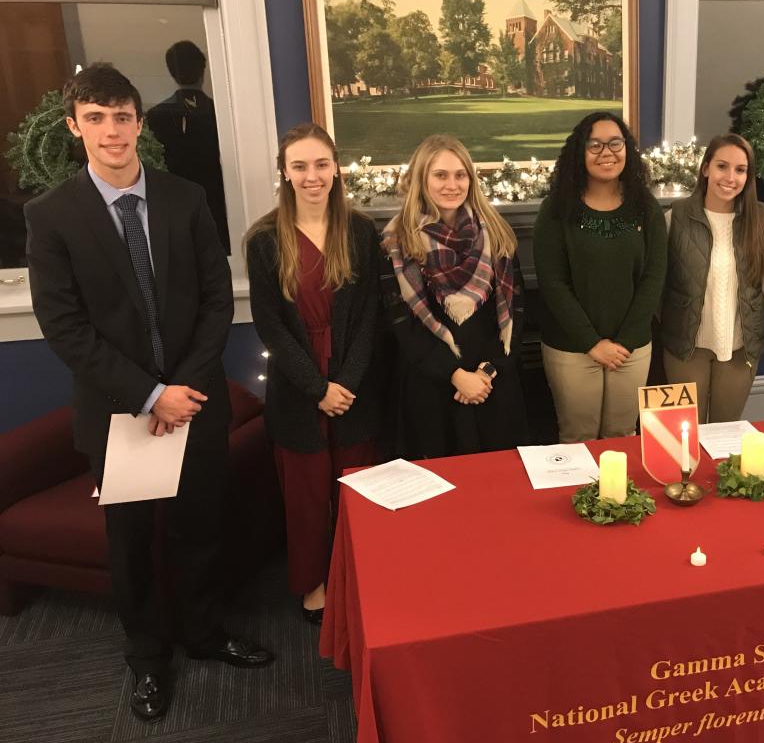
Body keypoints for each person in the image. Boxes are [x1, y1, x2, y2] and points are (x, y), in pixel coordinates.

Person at [25, 64, 273, 723]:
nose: (112, 130)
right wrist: (148, 394)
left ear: (140, 122)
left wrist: (182, 389)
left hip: (194, 405)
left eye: (123, 116)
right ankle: (147, 658)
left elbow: (217, 300)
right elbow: (66, 328)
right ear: (76, 126)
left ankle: (201, 632)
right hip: (124, 416)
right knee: (133, 545)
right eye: (97, 117)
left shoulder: (185, 198)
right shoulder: (52, 217)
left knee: (200, 529)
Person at [246, 123, 381, 625]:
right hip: (297, 385)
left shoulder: (361, 231)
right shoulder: (263, 240)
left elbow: (369, 316)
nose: (312, 176)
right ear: (285, 172)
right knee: (305, 495)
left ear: (336, 168)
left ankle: (361, 576)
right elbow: (270, 325)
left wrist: (346, 382)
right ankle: (315, 584)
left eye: (321, 164)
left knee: (357, 489)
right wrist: (317, 387)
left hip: (355, 383)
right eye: (300, 166)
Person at [382, 134, 528, 458]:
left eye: (460, 175)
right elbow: (401, 324)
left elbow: (516, 311)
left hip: (492, 386)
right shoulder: (397, 242)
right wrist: (455, 375)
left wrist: (487, 373)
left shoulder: (497, 233)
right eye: (440, 175)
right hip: (431, 389)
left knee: (498, 488)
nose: (452, 184)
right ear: (422, 180)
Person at [534, 112, 667, 442]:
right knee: (578, 437)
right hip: (571, 348)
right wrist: (591, 343)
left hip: (631, 348)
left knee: (623, 435)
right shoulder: (556, 210)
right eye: (595, 144)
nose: (606, 152)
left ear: (627, 149)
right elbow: (553, 282)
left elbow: (654, 276)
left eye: (615, 143)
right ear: (579, 152)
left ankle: (616, 497)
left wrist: (624, 341)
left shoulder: (645, 207)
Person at [661, 134, 764, 423]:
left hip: (741, 347)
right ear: (706, 169)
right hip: (686, 347)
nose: (730, 177)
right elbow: (658, 286)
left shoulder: (762, 220)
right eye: (722, 166)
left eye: (740, 170)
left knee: (726, 430)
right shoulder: (673, 218)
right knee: (685, 431)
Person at [144, 40, 229, 253]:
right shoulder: (220, 113)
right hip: (215, 199)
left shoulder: (157, 115)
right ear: (203, 70)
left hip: (182, 200)